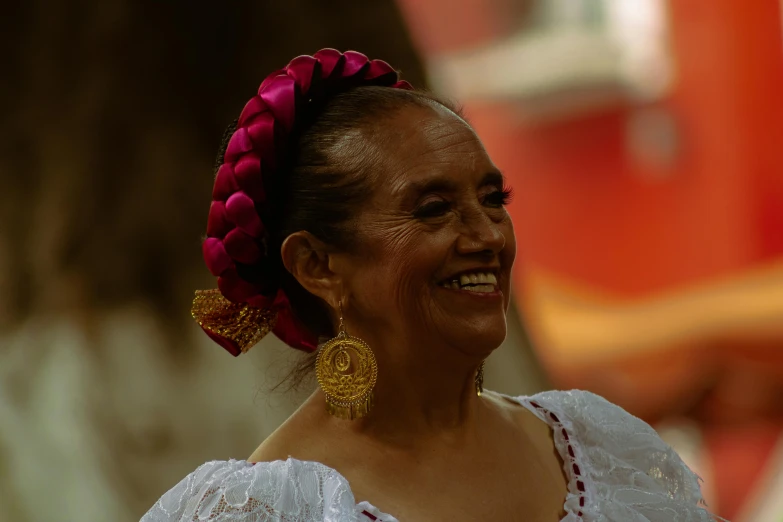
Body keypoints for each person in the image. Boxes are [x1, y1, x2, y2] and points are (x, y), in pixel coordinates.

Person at [141, 49, 723, 521]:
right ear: (317, 265)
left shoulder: (598, 449)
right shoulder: (274, 511)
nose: (487, 236)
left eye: (494, 200)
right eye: (433, 209)